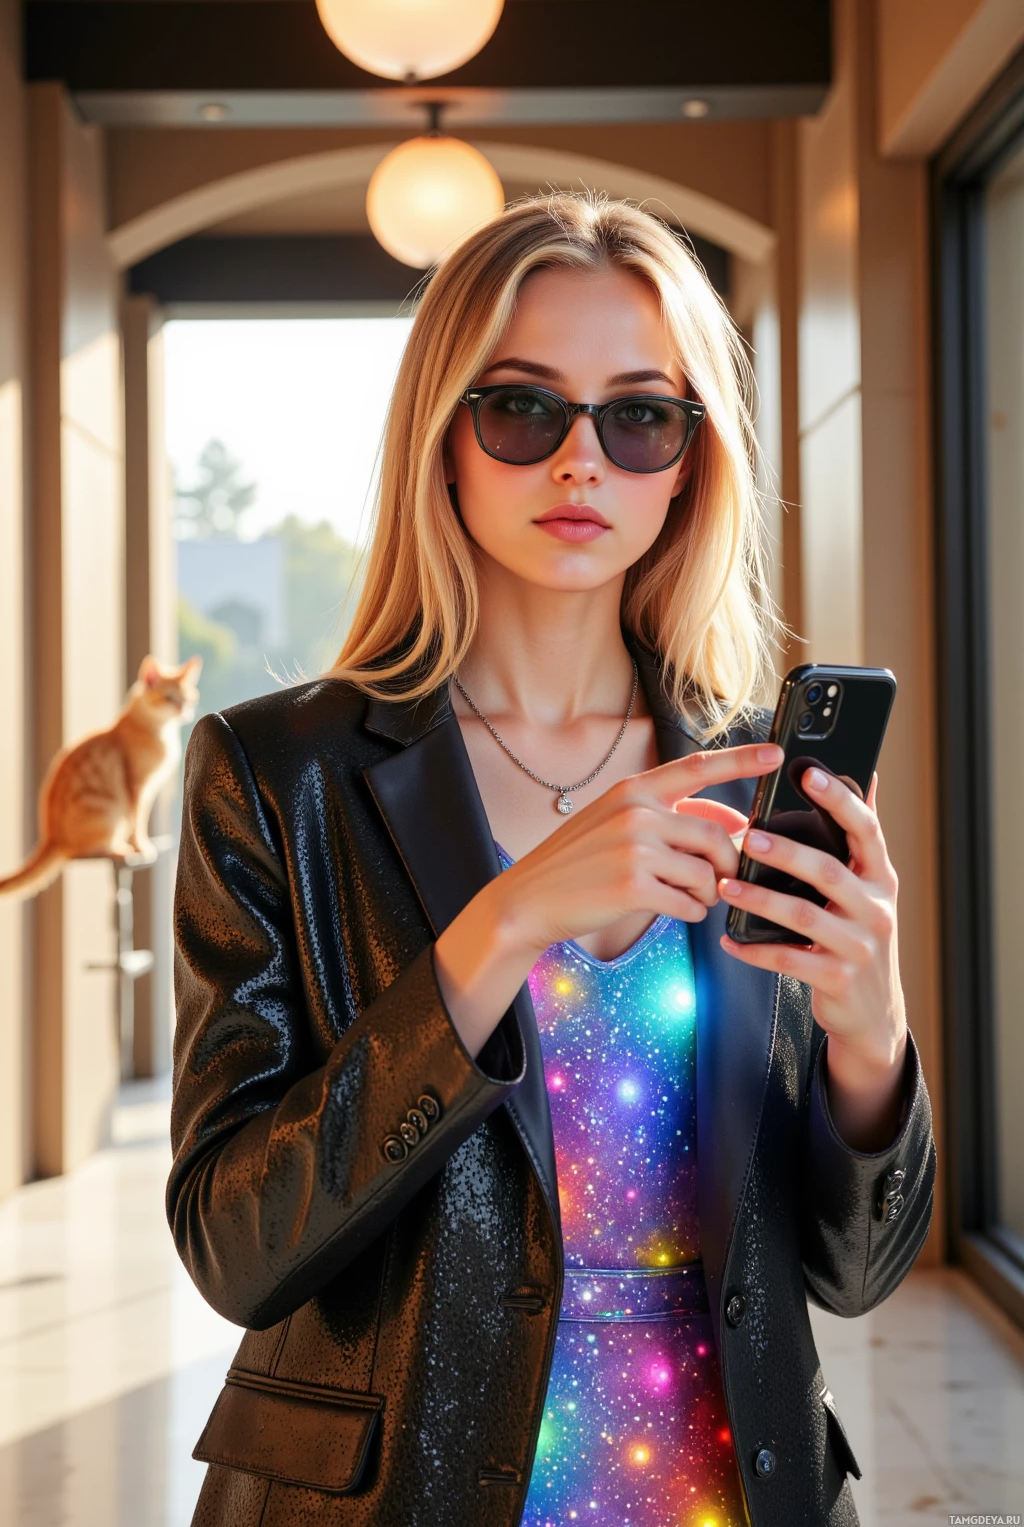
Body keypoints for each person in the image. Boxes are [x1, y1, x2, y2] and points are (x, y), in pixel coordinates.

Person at [168, 192, 935, 1527]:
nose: (583, 462)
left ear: (692, 461)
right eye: (524, 410)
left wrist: (871, 1037)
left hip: (723, 1492)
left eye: (641, 416)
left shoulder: (758, 777)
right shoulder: (277, 774)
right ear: (444, 439)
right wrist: (506, 921)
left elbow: (854, 1276)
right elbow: (238, 1247)